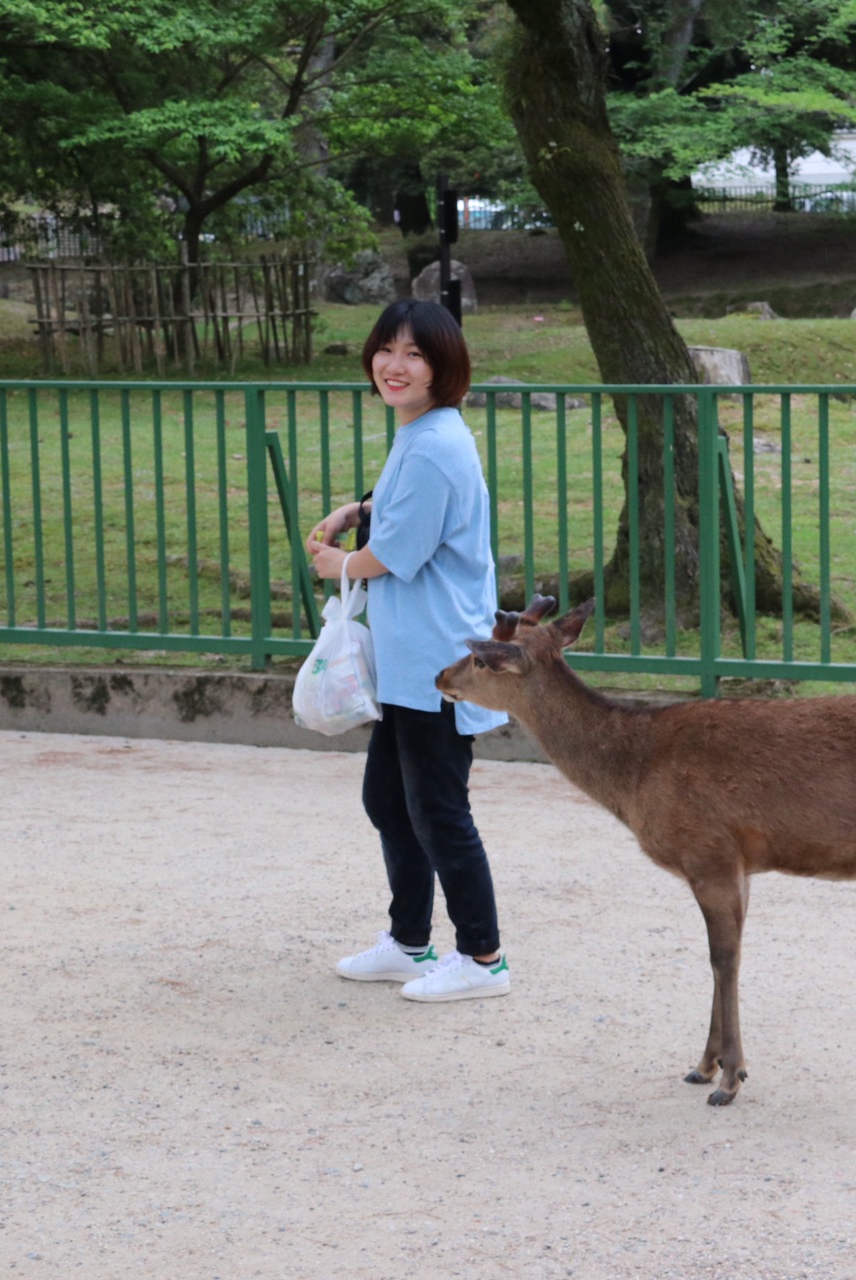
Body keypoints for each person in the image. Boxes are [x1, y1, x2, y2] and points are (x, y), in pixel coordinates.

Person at [306, 299, 515, 999]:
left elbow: (399, 551)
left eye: (415, 355)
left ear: (442, 367)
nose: (395, 366)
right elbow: (404, 510)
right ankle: (409, 942)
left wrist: (338, 562)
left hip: (440, 665)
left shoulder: (434, 443)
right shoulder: (424, 432)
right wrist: (360, 509)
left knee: (437, 810)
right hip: (410, 660)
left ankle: (484, 960)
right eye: (387, 350)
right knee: (390, 802)